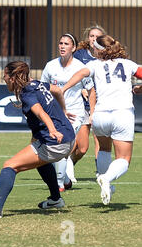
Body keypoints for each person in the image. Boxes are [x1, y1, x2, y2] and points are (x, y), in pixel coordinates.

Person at [0, 61, 75, 219]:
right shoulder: (37, 84)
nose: (3, 79)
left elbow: (41, 113)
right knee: (39, 159)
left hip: (55, 141)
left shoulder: (27, 94)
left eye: (4, 76)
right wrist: (64, 112)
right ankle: (55, 199)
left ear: (13, 78)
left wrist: (52, 129)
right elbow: (58, 91)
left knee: (10, 166)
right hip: (68, 136)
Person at [62, 34, 142, 205]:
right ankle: (106, 178)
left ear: (98, 51)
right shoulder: (128, 64)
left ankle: (106, 182)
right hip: (122, 114)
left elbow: (80, 74)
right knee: (124, 160)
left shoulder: (94, 64)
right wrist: (140, 88)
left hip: (100, 115)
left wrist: (63, 89)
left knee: (104, 150)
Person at [40, 33, 95, 191]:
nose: (62, 46)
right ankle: (65, 180)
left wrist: (92, 113)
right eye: (60, 43)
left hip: (75, 113)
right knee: (57, 147)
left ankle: (59, 185)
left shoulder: (80, 68)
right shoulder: (51, 66)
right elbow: (43, 89)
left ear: (74, 48)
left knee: (63, 143)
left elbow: (91, 91)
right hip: (56, 113)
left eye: (66, 44)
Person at [71, 24, 107, 179]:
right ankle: (68, 163)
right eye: (91, 36)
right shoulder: (79, 55)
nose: (94, 39)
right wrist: (81, 89)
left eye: (97, 36)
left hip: (102, 104)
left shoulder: (107, 56)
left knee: (100, 139)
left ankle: (101, 171)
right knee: (82, 147)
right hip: (83, 104)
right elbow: (71, 75)